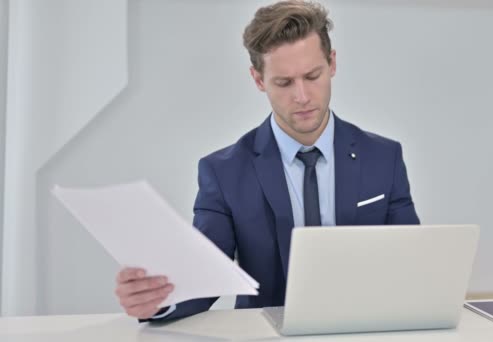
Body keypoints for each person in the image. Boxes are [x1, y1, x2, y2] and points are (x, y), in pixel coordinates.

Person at [114, 0, 419, 322]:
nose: (302, 96)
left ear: (332, 64)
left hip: (366, 330)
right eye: (284, 82)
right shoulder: (223, 172)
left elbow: (410, 262)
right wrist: (155, 300)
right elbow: (203, 276)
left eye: (312, 76)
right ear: (258, 80)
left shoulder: (385, 158)